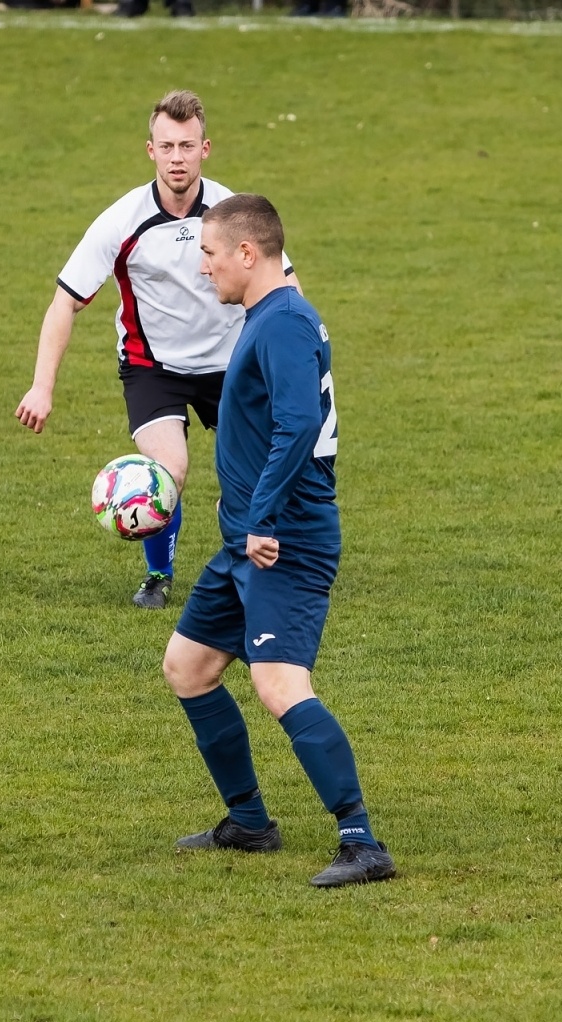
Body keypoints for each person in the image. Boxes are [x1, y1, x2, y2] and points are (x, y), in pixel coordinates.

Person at [162, 195, 397, 889]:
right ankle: (250, 822)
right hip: (247, 535)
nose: (202, 268)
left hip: (283, 538)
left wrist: (260, 514)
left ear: (247, 253)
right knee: (188, 666)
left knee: (279, 682)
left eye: (208, 253)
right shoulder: (269, 318)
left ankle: (363, 842)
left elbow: (296, 426)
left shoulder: (285, 323)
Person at [16, 90, 299, 610]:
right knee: (168, 471)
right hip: (154, 368)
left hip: (232, 364)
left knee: (260, 471)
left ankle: (260, 557)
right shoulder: (122, 221)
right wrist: (42, 386)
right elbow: (65, 302)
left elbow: (286, 287)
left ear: (205, 149)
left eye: (186, 147)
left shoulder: (232, 213)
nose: (176, 158)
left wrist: (300, 362)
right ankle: (158, 576)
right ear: (150, 150)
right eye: (166, 146)